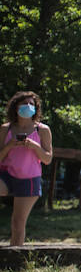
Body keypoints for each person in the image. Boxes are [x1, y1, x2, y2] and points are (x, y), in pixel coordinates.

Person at [0, 91, 54, 246]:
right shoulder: (5, 129)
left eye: (31, 104)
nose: (28, 107)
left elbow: (47, 159)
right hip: (6, 175)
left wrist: (35, 146)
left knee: (17, 223)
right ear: (15, 107)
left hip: (29, 179)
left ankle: (14, 259)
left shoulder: (42, 130)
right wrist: (10, 145)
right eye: (24, 104)